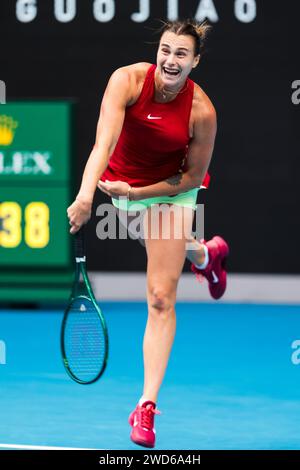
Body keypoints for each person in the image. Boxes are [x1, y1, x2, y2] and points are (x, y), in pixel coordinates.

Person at [67, 19, 229, 448]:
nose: (170, 60)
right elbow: (102, 146)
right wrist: (86, 197)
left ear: (195, 61)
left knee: (160, 295)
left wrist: (138, 192)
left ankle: (146, 405)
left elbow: (192, 179)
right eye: (165, 50)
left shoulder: (202, 112)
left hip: (168, 192)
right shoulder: (127, 81)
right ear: (156, 51)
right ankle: (204, 256)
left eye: (181, 54)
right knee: (171, 252)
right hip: (120, 188)